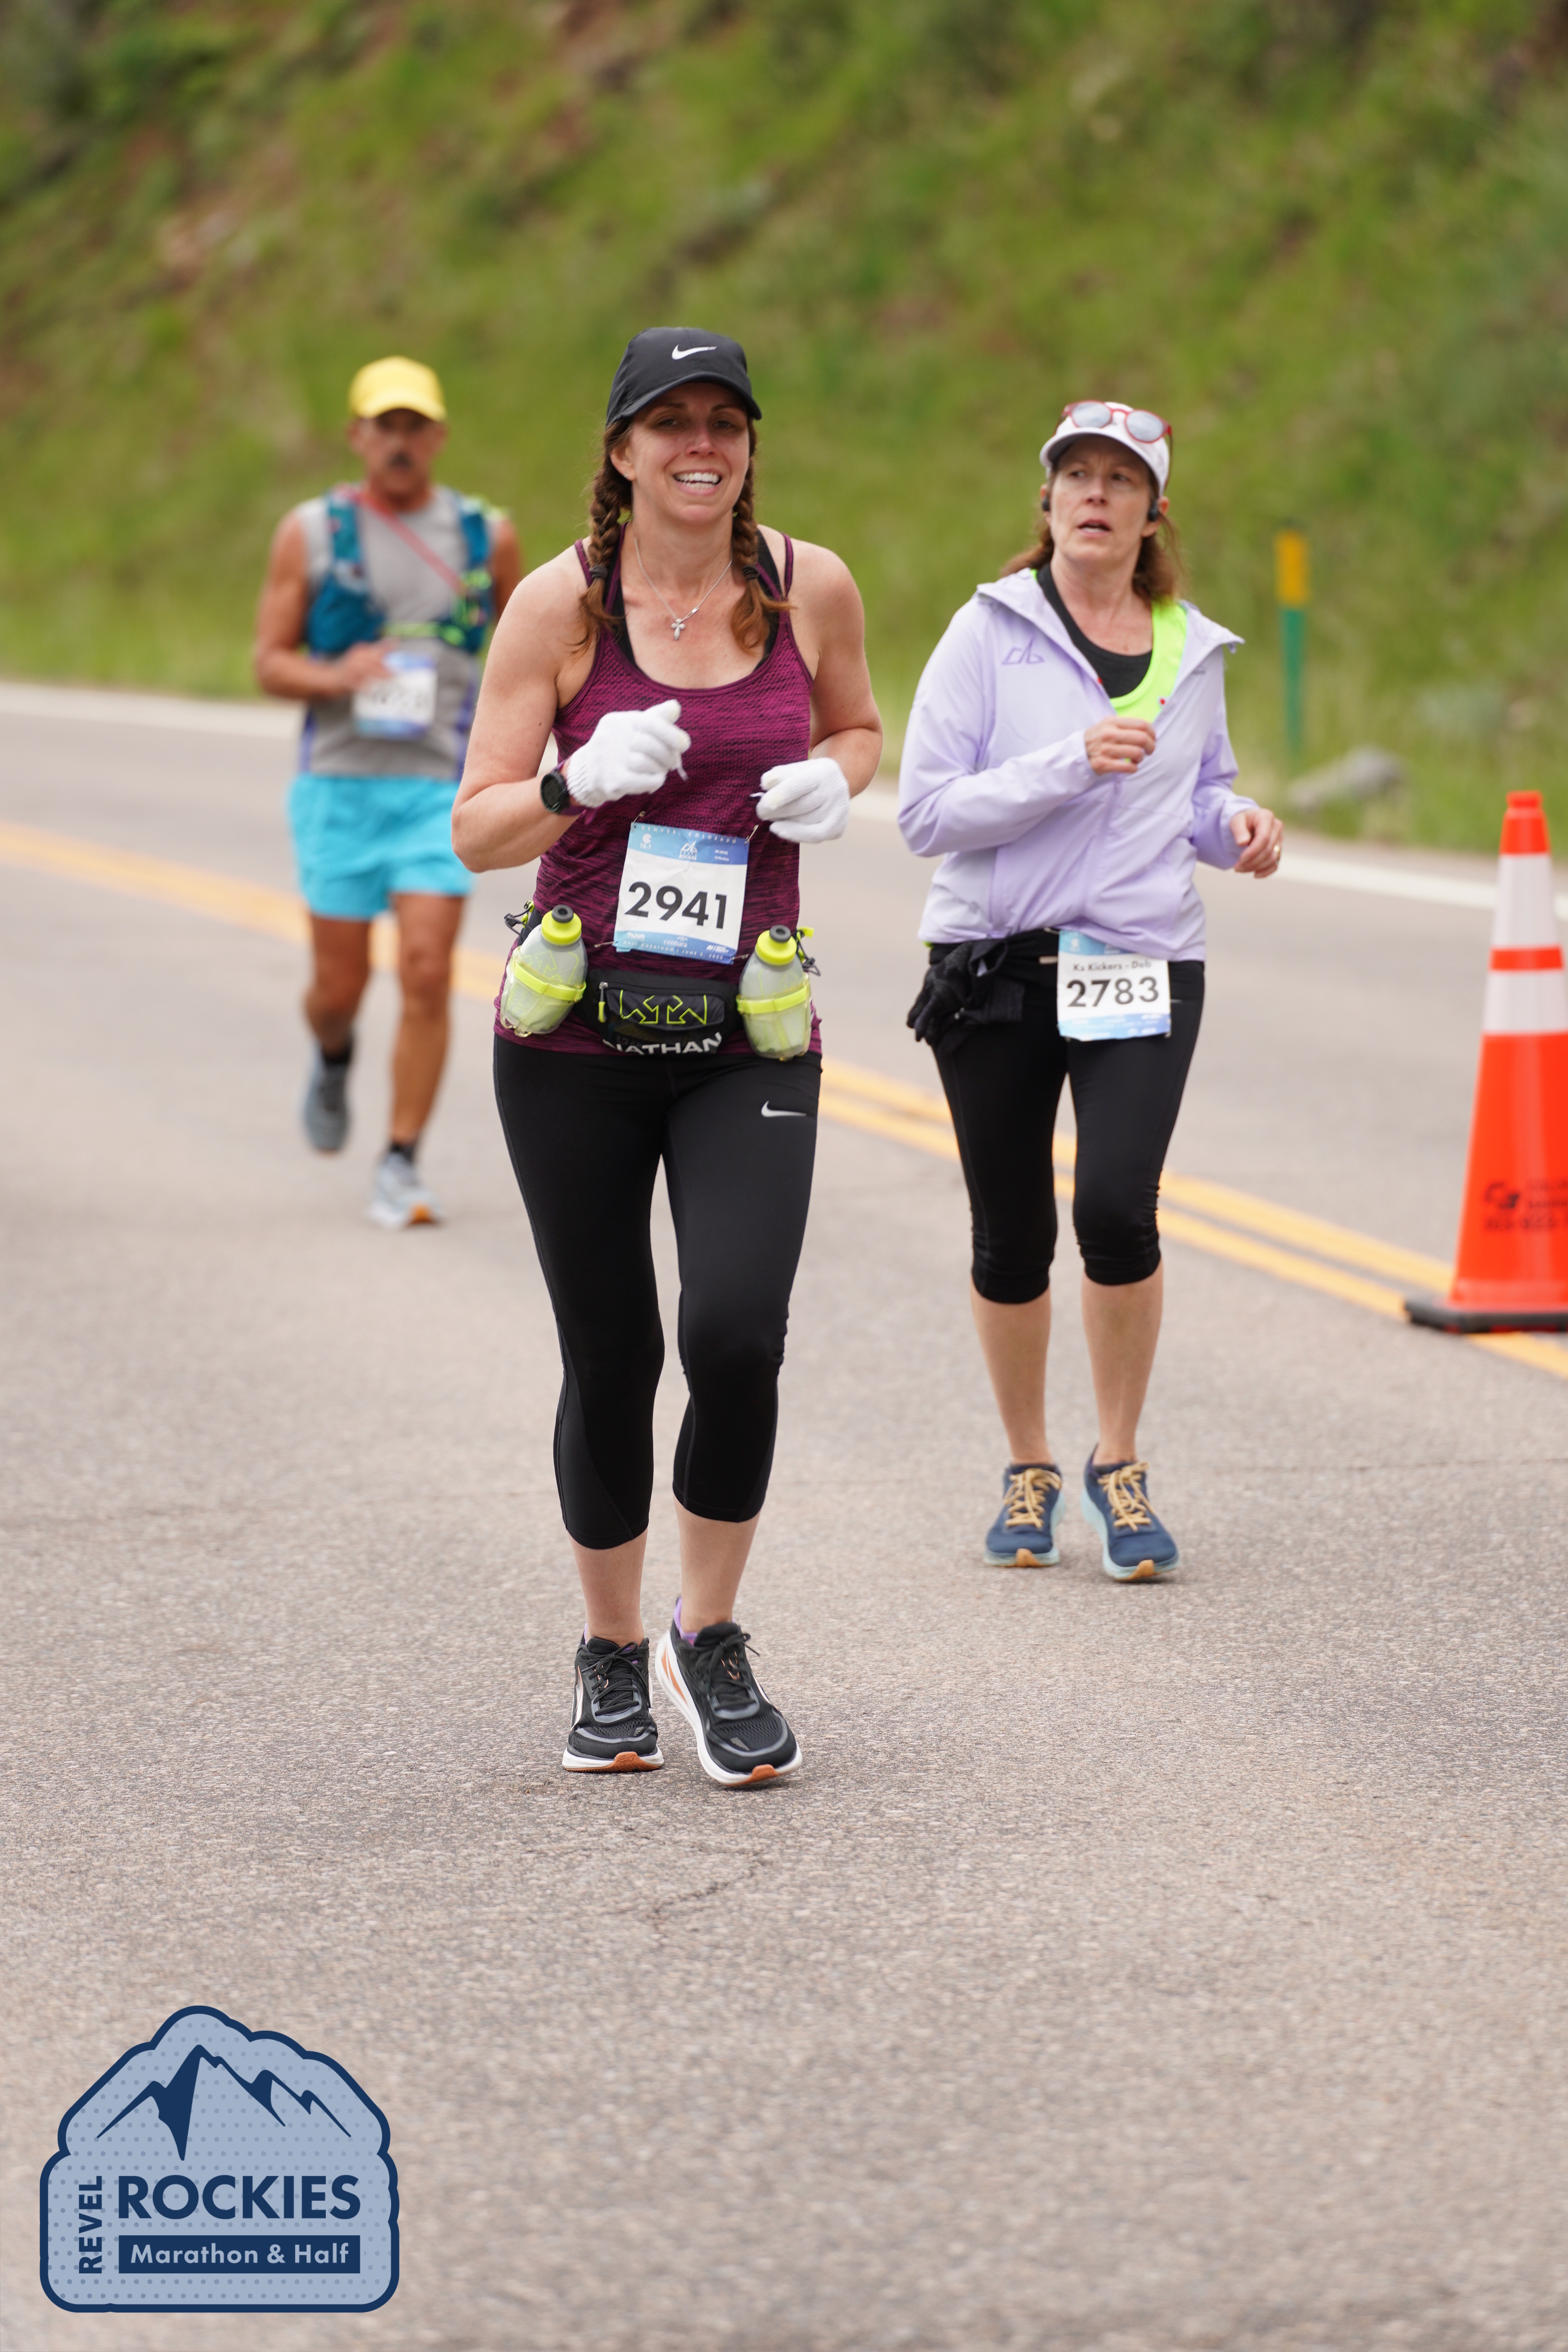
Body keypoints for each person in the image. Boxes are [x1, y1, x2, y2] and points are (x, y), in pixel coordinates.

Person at [453, 327, 880, 1781]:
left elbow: (860, 724)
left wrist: (836, 779)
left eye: (726, 423)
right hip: (575, 1035)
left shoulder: (810, 586)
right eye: (672, 422)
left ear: (750, 446)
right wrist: (576, 780)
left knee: (738, 1333)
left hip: (747, 1032)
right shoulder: (559, 606)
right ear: (623, 449)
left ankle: (711, 1632)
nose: (703, 446)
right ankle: (611, 1648)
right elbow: (478, 825)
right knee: (615, 1353)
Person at [899, 399, 1283, 1580]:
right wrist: (1066, 763)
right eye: (1078, 476)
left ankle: (1120, 1462)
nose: (1097, 496)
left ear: (1153, 512)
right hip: (996, 964)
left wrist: (1239, 825)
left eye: (1121, 480)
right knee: (1012, 1231)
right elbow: (927, 812)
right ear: (1049, 500)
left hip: (1142, 961)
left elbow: (1199, 795)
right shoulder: (989, 632)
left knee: (1117, 1208)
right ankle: (1029, 1465)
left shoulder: (1194, 649)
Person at [254, 355, 522, 1227]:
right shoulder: (311, 532)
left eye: (415, 426)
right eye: (385, 426)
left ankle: (401, 1159)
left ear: (438, 437)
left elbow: (531, 650)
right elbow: (270, 662)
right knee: (338, 991)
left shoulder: (486, 537)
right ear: (357, 436)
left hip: (437, 791)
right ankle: (333, 1056)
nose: (400, 442)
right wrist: (337, 675)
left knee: (426, 971)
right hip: (339, 787)